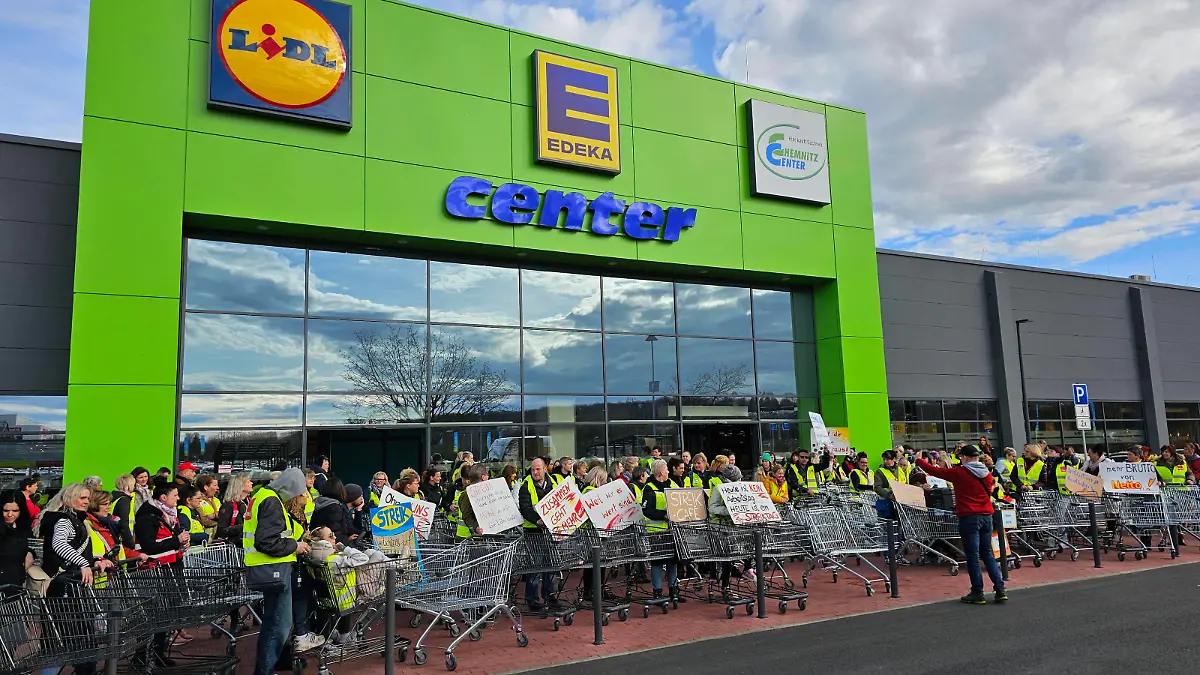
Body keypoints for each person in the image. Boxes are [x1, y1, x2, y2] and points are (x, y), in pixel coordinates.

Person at [40, 483, 115, 674]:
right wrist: (83, 563)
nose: (86, 502)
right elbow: (59, 545)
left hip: (67, 586)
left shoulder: (73, 519)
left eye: (87, 499)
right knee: (74, 638)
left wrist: (95, 560)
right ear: (69, 497)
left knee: (60, 639)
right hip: (66, 588)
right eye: (82, 498)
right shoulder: (66, 520)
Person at [917, 445, 1006, 605]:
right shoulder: (987, 473)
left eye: (961, 457)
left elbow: (935, 472)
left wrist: (918, 460)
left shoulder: (960, 472)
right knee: (987, 553)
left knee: (972, 555)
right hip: (987, 515)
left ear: (964, 457)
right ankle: (1000, 588)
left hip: (969, 516)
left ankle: (977, 592)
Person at [245, 468, 313, 675]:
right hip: (273, 567)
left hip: (267, 567)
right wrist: (296, 546)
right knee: (278, 624)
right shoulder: (272, 501)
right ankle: (265, 670)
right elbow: (267, 541)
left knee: (275, 621)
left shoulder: (263, 496)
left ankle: (276, 663)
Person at [517, 459, 558, 610]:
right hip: (533, 531)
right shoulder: (526, 486)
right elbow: (525, 508)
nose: (535, 472)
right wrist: (537, 520)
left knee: (551, 563)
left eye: (538, 469)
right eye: (533, 470)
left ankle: (549, 595)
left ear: (545, 469)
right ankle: (532, 599)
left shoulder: (554, 481)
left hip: (552, 530)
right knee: (535, 565)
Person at [641, 459, 682, 603]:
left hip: (673, 530)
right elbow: (647, 510)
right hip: (657, 531)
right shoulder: (649, 488)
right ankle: (657, 592)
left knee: (673, 561)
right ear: (660, 472)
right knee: (657, 562)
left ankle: (674, 590)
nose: (668, 472)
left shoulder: (671, 483)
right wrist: (663, 515)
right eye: (666, 470)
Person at [707, 464, 750, 597]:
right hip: (720, 528)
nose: (740, 481)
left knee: (734, 555)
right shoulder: (718, 488)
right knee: (727, 557)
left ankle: (744, 570)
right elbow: (712, 508)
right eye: (738, 479)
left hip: (733, 527)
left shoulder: (736, 488)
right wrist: (729, 511)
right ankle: (725, 585)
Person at [0, 494, 34, 598]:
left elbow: (25, 546)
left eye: (15, 511)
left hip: (15, 583)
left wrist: (30, 553)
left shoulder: (22, 528)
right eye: (6, 510)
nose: (10, 514)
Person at [311, 478, 357, 547]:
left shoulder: (318, 503)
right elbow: (335, 532)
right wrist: (347, 540)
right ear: (340, 490)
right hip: (332, 548)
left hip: (318, 544)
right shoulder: (335, 508)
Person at [456, 465, 488, 539]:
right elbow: (467, 516)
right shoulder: (467, 494)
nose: (488, 478)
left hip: (476, 537)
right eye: (487, 475)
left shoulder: (484, 493)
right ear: (483, 477)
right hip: (467, 538)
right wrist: (476, 527)